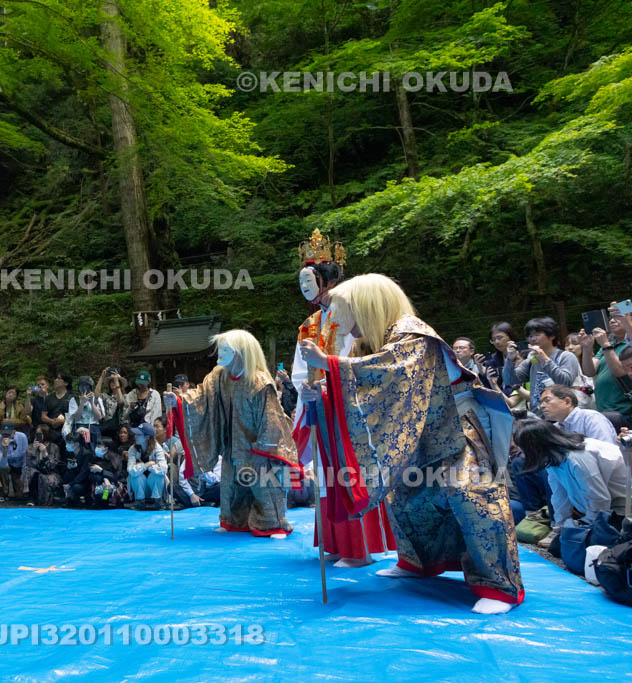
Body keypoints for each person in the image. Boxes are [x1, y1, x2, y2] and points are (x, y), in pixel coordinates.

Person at [298, 273, 523, 614]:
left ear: (368, 306)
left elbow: (390, 373)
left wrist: (328, 364)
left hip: (456, 427)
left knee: (471, 495)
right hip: (415, 431)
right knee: (406, 496)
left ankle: (498, 583)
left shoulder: (412, 333)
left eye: (346, 311)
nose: (341, 322)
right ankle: (417, 560)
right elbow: (366, 388)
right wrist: (323, 394)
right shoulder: (372, 341)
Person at [291, 229, 394, 567]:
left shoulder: (357, 318)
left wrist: (330, 380)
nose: (308, 286)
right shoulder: (309, 324)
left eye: (313, 278)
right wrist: (306, 390)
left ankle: (359, 548)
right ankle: (336, 543)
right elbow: (299, 369)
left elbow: (367, 360)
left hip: (352, 406)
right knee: (327, 475)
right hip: (322, 406)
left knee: (353, 471)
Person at [166, 329, 299, 537]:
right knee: (231, 485)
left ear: (239, 352)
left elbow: (271, 418)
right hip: (231, 443)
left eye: (225, 349)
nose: (220, 353)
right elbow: (201, 395)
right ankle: (234, 520)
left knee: (265, 486)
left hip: (256, 445)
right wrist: (179, 401)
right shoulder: (219, 376)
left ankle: (273, 522)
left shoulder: (259, 381)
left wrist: (264, 447)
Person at [514, 420, 631, 529]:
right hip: (597, 510)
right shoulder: (552, 457)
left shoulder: (578, 457)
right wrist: (560, 526)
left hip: (620, 509)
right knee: (560, 544)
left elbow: (600, 499)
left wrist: (585, 524)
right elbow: (559, 495)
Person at [503, 317, 580, 416]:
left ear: (551, 336)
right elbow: (510, 381)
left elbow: (565, 382)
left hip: (563, 415)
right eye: (530, 336)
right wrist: (509, 360)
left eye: (537, 335)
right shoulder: (531, 360)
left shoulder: (566, 356)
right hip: (538, 415)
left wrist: (545, 359)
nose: (533, 339)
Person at [578, 312, 632, 419]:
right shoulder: (610, 343)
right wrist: (587, 348)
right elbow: (589, 371)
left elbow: (620, 372)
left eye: (617, 317)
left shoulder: (628, 345)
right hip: (604, 408)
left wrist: (605, 344)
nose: (612, 321)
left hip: (623, 410)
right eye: (610, 318)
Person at [538, 385, 617, 443]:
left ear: (567, 402)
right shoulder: (555, 428)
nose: (542, 406)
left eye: (547, 400)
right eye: (541, 403)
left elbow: (607, 453)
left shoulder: (591, 418)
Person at [126, 423, 168, 510]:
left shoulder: (157, 448)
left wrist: (148, 468)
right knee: (136, 476)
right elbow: (130, 470)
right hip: (140, 488)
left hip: (154, 486)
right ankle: (139, 501)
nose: (135, 436)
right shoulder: (132, 449)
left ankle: (157, 500)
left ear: (147, 437)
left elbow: (164, 469)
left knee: (157, 474)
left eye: (138, 434)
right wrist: (146, 465)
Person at [25, 425, 62, 507]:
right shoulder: (31, 447)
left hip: (50, 473)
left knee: (45, 478)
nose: (37, 436)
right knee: (31, 472)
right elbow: (29, 463)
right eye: (36, 434)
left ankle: (46, 500)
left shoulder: (54, 447)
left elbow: (53, 466)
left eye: (40, 434)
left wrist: (45, 455)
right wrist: (34, 451)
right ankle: (31, 498)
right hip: (35, 471)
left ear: (46, 434)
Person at [0, 422, 29, 500]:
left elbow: (26, 459)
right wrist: (5, 449)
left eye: (8, 434)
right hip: (7, 466)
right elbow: (2, 464)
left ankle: (18, 489)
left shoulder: (22, 437)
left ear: (14, 432)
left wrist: (23, 478)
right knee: (1, 467)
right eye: (3, 434)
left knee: (19, 496)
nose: (6, 437)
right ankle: (4, 491)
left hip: (19, 465)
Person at [64, 375, 104, 447]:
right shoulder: (74, 400)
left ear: (90, 387)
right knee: (79, 450)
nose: (83, 388)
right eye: (81, 385)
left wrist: (92, 403)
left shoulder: (97, 399)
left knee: (94, 452)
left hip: (94, 429)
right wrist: (82, 403)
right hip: (79, 428)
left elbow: (99, 417)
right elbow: (76, 417)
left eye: (86, 385)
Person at [61, 429, 92, 507]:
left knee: (76, 487)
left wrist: (70, 484)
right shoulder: (68, 453)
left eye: (69, 443)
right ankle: (69, 499)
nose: (66, 445)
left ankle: (86, 500)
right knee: (66, 476)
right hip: (73, 477)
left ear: (77, 444)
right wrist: (68, 467)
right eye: (66, 442)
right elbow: (62, 467)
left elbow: (84, 473)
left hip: (84, 481)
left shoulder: (86, 454)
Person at [94, 368, 128, 440]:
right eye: (111, 381)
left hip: (119, 428)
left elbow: (121, 402)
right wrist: (102, 377)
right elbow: (96, 394)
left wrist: (117, 383)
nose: (113, 383)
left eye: (115, 381)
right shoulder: (106, 396)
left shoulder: (125, 396)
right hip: (107, 426)